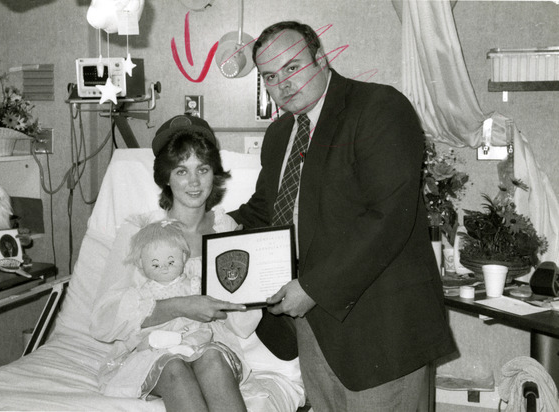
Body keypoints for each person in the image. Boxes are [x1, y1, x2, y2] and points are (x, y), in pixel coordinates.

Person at [230, 21, 457, 411]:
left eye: (291, 67)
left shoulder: (378, 107)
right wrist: (206, 229)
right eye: (270, 76)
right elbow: (264, 210)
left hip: (381, 329)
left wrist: (313, 288)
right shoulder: (280, 134)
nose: (282, 83)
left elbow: (389, 216)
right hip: (315, 332)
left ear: (320, 58)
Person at [90, 114, 304, 412]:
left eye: (202, 169)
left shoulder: (226, 229)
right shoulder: (139, 230)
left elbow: (242, 323)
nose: (193, 182)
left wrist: (261, 282)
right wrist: (181, 305)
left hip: (210, 346)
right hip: (154, 348)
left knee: (212, 359)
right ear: (165, 177)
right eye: (181, 171)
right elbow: (103, 319)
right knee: (175, 367)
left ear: (213, 173)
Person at [94, 219, 247, 409]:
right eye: (156, 264)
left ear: (183, 258)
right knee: (172, 367)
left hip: (197, 340)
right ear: (141, 264)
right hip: (158, 351)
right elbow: (108, 321)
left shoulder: (196, 282)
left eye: (171, 261)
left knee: (213, 358)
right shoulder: (140, 294)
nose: (165, 268)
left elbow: (236, 312)